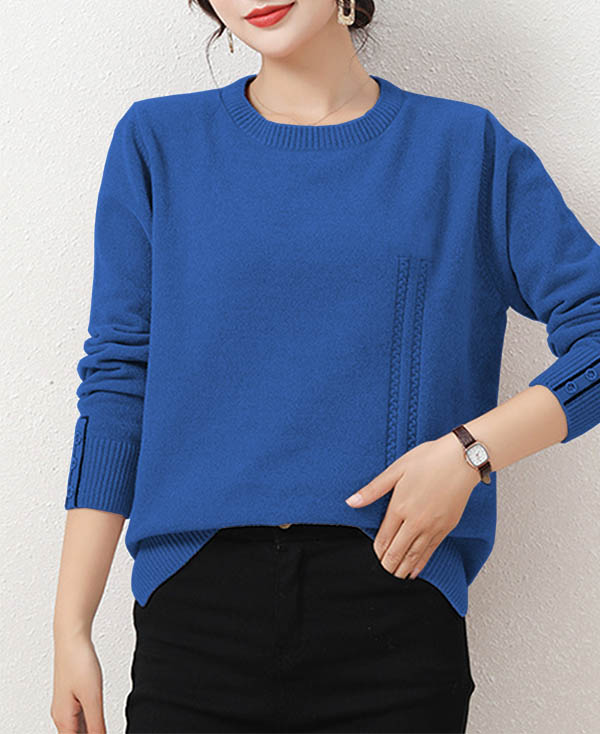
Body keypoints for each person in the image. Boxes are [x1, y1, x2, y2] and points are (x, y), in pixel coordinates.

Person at [51, 1, 600, 732]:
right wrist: (71, 625)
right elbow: (120, 377)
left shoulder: (463, 150)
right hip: (194, 614)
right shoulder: (158, 143)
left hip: (397, 603)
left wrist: (471, 453)